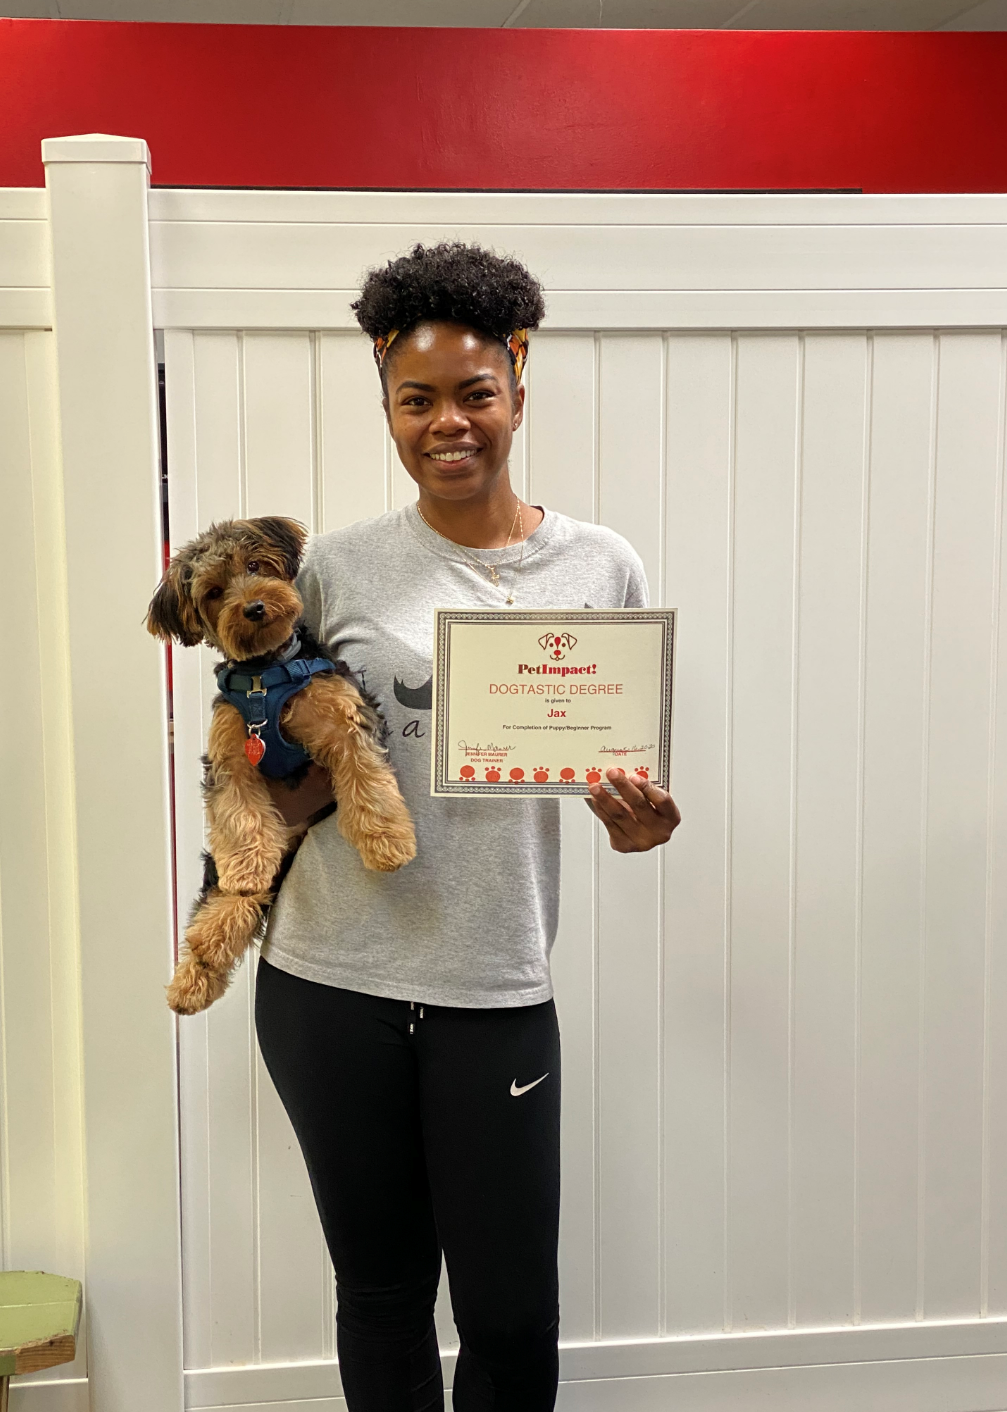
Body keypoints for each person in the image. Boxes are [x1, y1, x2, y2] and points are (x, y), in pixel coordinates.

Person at [255, 242, 681, 1412]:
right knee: (382, 1296)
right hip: (327, 981)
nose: (448, 422)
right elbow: (265, 785)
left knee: (509, 1314)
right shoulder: (331, 567)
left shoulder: (599, 564)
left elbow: (611, 765)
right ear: (387, 407)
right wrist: (304, 759)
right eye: (416, 399)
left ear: (516, 393)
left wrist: (633, 824)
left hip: (493, 981)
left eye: (474, 393)